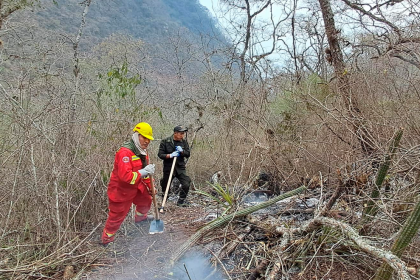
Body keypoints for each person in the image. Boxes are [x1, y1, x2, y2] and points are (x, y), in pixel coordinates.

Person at [101, 122, 156, 245]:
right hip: (121, 189)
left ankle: (141, 219)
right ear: (137, 135)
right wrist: (143, 172)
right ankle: (107, 239)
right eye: (144, 137)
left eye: (149, 139)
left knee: (146, 198)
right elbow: (125, 177)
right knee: (117, 214)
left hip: (136, 185)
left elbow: (145, 170)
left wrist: (150, 185)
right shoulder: (124, 153)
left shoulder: (143, 152)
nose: (147, 141)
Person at [158, 125, 191, 207]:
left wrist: (182, 151)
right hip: (169, 167)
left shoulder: (183, 142)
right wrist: (170, 155)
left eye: (183, 134)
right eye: (181, 133)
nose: (182, 135)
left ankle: (181, 201)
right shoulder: (165, 141)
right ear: (175, 133)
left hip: (180, 167)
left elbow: (188, 154)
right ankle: (163, 202)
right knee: (165, 185)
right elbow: (160, 155)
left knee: (186, 183)